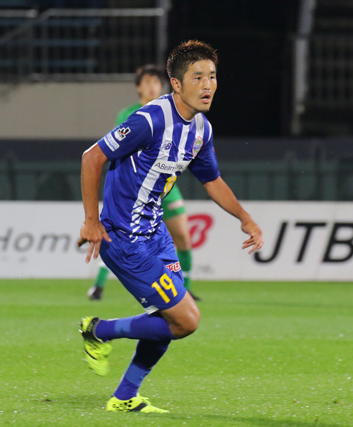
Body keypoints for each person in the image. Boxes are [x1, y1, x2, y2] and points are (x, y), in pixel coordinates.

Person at [78, 40, 263, 413]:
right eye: (198, 77)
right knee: (186, 320)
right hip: (125, 238)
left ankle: (124, 397)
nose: (207, 85)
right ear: (176, 84)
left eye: (212, 76)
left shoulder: (201, 129)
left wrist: (244, 217)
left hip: (156, 234)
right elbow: (92, 157)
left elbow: (212, 180)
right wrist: (91, 220)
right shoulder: (150, 120)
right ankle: (98, 330)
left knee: (171, 319)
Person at [87, 64, 199, 301]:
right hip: (135, 189)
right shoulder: (129, 114)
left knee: (182, 237)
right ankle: (98, 285)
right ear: (138, 87)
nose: (152, 87)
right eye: (147, 82)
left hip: (165, 188)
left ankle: (185, 289)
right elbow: (110, 152)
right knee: (119, 238)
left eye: (156, 82)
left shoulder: (173, 114)